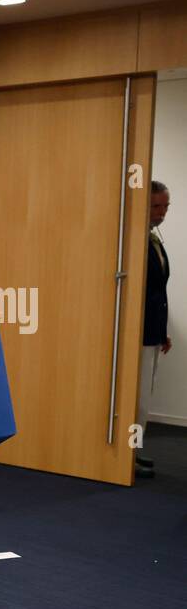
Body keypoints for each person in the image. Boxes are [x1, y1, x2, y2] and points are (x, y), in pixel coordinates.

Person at [137, 181, 172, 480]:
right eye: (156, 206)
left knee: (144, 398)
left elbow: (158, 291)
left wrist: (163, 332)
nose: (162, 213)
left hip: (152, 332)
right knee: (137, 400)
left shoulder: (153, 239)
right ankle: (127, 454)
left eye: (165, 207)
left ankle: (132, 451)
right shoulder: (134, 241)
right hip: (136, 333)